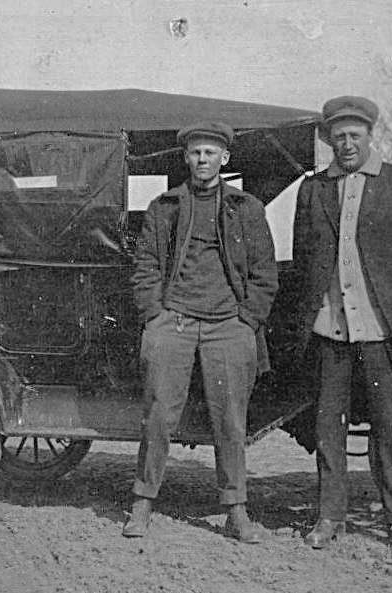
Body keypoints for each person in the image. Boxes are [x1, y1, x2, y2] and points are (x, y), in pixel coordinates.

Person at [291, 96, 392, 551]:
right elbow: (304, 257)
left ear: (370, 136)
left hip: (384, 333)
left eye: (354, 136)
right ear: (329, 141)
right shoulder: (314, 189)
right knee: (328, 428)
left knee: (389, 427)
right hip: (330, 330)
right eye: (338, 137)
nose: (346, 144)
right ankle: (329, 517)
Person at [123, 121, 279, 543]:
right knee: (159, 412)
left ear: (224, 158)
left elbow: (265, 273)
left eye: (210, 153)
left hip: (229, 325)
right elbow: (146, 266)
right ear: (186, 158)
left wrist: (247, 320)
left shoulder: (247, 208)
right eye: (195, 153)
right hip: (173, 320)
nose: (202, 160)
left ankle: (236, 509)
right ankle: (143, 501)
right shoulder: (165, 207)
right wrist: (154, 315)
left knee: (230, 419)